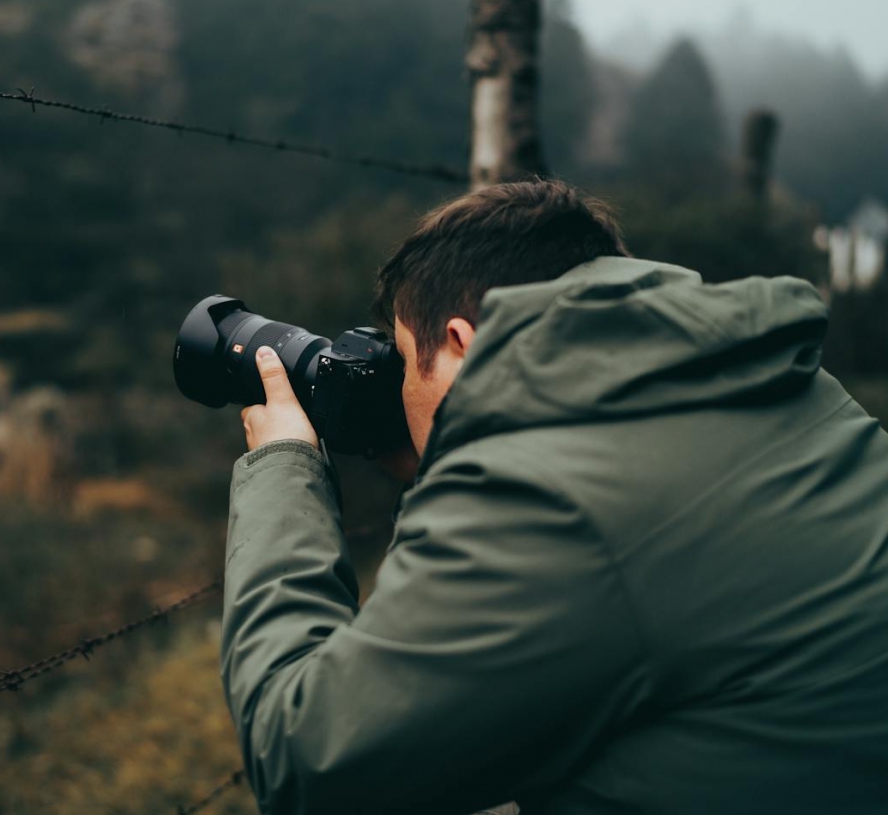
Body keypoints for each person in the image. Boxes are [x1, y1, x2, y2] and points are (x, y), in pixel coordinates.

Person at [221, 180, 888, 815]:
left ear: (460, 342)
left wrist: (286, 463)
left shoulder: (555, 498)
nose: (400, 391)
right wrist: (441, 471)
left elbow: (306, 760)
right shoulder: (770, 377)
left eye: (403, 359)